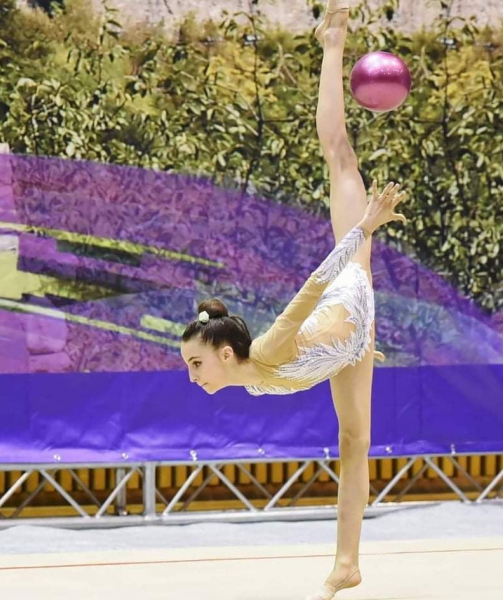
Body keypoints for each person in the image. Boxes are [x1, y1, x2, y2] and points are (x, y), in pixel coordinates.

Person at [180, 1, 408, 597]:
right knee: (354, 443)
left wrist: (365, 230)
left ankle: (334, 39)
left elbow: (314, 286)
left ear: (225, 354)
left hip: (349, 283)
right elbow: (315, 351)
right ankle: (347, 564)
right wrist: (349, 346)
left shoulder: (269, 349)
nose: (193, 376)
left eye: (196, 364)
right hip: (349, 345)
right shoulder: (252, 377)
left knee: (340, 157)